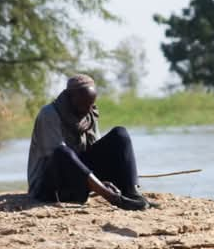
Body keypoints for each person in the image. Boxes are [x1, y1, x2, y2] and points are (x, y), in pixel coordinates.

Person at [27, 74, 157, 210]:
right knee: (62, 151)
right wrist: (102, 189)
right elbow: (57, 158)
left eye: (91, 103)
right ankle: (114, 198)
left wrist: (102, 181)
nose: (88, 109)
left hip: (78, 181)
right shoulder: (49, 114)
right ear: (70, 98)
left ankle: (132, 193)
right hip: (50, 187)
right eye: (83, 104)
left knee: (120, 134)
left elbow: (96, 150)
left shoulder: (89, 112)